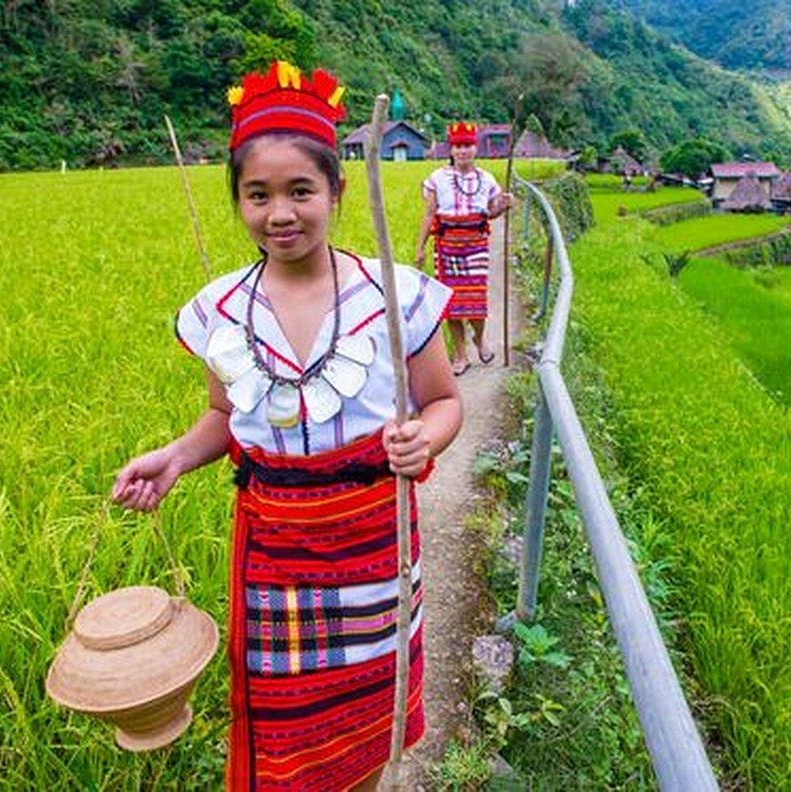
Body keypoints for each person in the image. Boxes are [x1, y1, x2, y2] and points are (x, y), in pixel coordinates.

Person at [110, 60, 462, 792]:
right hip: (275, 558)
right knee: (285, 730)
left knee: (368, 723)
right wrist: (176, 458)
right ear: (238, 199)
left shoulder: (395, 293)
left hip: (374, 546)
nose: (280, 213)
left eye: (301, 190)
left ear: (335, 190)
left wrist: (423, 439)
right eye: (258, 194)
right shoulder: (219, 310)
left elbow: (443, 401)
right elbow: (222, 417)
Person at [414, 122, 513, 376]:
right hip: (447, 245)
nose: (462, 151)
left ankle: (479, 339)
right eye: (457, 146)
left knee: (475, 299)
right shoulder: (437, 179)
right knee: (451, 303)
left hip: (476, 245)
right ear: (451, 149)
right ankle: (460, 354)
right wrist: (420, 247)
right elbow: (429, 214)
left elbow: (491, 214)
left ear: (475, 147)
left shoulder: (487, 179)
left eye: (467, 145)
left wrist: (504, 205)